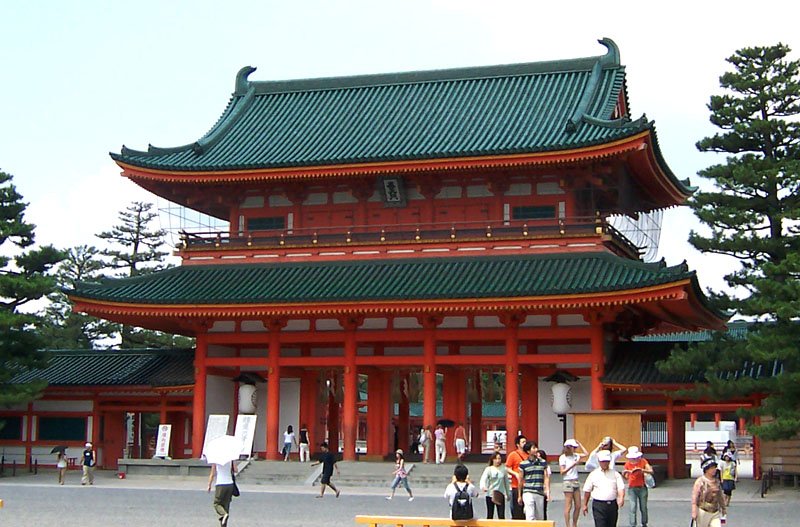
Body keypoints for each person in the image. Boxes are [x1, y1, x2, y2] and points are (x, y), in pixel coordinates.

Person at [582, 450, 625, 527]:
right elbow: (587, 490)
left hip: (612, 504)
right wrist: (585, 504)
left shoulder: (615, 474)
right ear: (599, 461)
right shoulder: (594, 474)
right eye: (603, 461)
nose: (605, 463)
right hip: (599, 504)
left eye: (607, 461)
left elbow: (620, 487)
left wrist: (621, 497)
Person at [560, 438, 589, 527]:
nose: (575, 449)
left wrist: (580, 444)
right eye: (573, 447)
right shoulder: (563, 457)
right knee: (568, 505)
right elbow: (562, 472)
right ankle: (567, 525)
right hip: (568, 481)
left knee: (578, 505)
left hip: (575, 481)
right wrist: (572, 465)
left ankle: (574, 524)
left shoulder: (576, 455)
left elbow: (586, 454)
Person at [518, 441, 550, 521]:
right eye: (534, 448)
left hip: (539, 492)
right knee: (530, 516)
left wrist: (547, 490)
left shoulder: (543, 462)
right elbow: (521, 480)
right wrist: (519, 495)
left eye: (536, 448)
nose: (536, 450)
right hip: (528, 491)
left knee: (540, 517)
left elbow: (546, 477)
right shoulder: (523, 464)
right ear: (528, 451)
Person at [622, 446, 652, 527]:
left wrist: (642, 470)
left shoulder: (643, 461)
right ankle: (632, 524)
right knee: (632, 507)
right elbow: (626, 478)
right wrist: (624, 473)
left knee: (643, 507)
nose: (634, 459)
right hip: (632, 487)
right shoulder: (627, 464)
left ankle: (644, 523)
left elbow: (651, 470)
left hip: (642, 487)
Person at [692, 457, 726, 527]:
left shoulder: (717, 481)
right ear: (706, 469)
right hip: (703, 511)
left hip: (715, 511)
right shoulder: (700, 481)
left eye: (715, 468)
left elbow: (720, 496)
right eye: (712, 468)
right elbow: (695, 497)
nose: (714, 470)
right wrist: (694, 510)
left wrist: (723, 508)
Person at [479, 452, 514, 519]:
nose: (498, 460)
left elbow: (506, 482)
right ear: (492, 460)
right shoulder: (488, 469)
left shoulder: (503, 469)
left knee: (501, 515)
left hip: (500, 494)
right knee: (490, 514)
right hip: (490, 494)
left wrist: (508, 494)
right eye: (496, 459)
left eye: (499, 458)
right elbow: (483, 479)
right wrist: (483, 487)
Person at [207, 459, 237, 527]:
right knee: (226, 505)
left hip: (220, 484)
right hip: (230, 484)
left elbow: (212, 474)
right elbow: (235, 470)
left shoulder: (216, 459)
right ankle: (224, 524)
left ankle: (224, 514)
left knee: (217, 503)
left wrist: (209, 485)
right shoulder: (231, 459)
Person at [505, 433, 528, 519]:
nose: (525, 443)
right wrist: (515, 474)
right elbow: (507, 468)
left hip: (527, 485)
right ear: (518, 444)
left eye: (525, 441)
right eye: (523, 442)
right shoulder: (513, 455)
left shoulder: (529, 455)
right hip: (516, 485)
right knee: (517, 509)